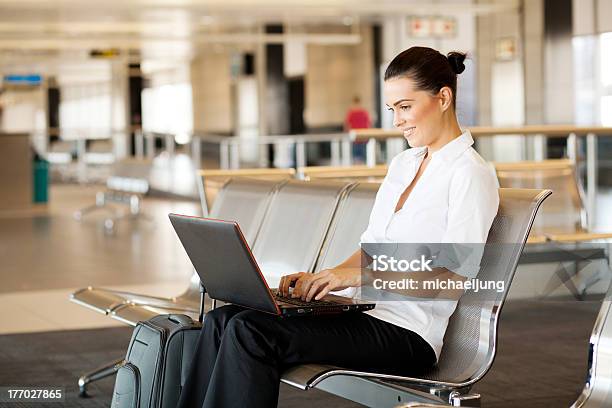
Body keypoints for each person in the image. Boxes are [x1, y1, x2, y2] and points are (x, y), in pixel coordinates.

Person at [176, 46, 499, 408]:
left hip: (408, 331)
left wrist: (357, 278)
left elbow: (450, 278)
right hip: (363, 312)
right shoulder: (404, 165)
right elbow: (371, 249)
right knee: (223, 319)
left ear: (443, 97)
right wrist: (324, 278)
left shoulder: (470, 174)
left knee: (251, 332)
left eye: (405, 107)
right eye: (393, 109)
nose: (397, 121)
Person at [344, 95, 372, 163]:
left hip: (355, 137)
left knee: (356, 157)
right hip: (363, 136)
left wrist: (348, 133)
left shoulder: (351, 112)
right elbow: (369, 124)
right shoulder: (364, 112)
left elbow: (347, 125)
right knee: (364, 157)